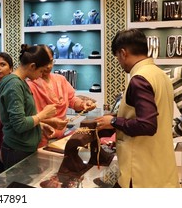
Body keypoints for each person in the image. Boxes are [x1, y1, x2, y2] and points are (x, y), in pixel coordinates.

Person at [95, 29, 180, 188]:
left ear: (123, 53)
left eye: (117, 57)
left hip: (141, 170)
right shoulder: (161, 75)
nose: (119, 62)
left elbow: (147, 125)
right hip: (160, 165)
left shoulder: (139, 79)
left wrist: (114, 121)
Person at [0, 44, 57, 169]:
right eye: (41, 71)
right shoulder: (14, 85)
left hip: (22, 148)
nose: (40, 75)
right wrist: (43, 115)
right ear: (32, 66)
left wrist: (39, 125)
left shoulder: (19, 82)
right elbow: (19, 124)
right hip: (17, 151)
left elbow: (21, 117)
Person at [27, 45, 96, 148]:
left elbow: (72, 100)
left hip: (60, 138)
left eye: (50, 62)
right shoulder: (30, 84)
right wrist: (50, 122)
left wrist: (83, 104)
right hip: (38, 140)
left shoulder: (60, 79)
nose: (48, 66)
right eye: (45, 63)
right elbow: (26, 119)